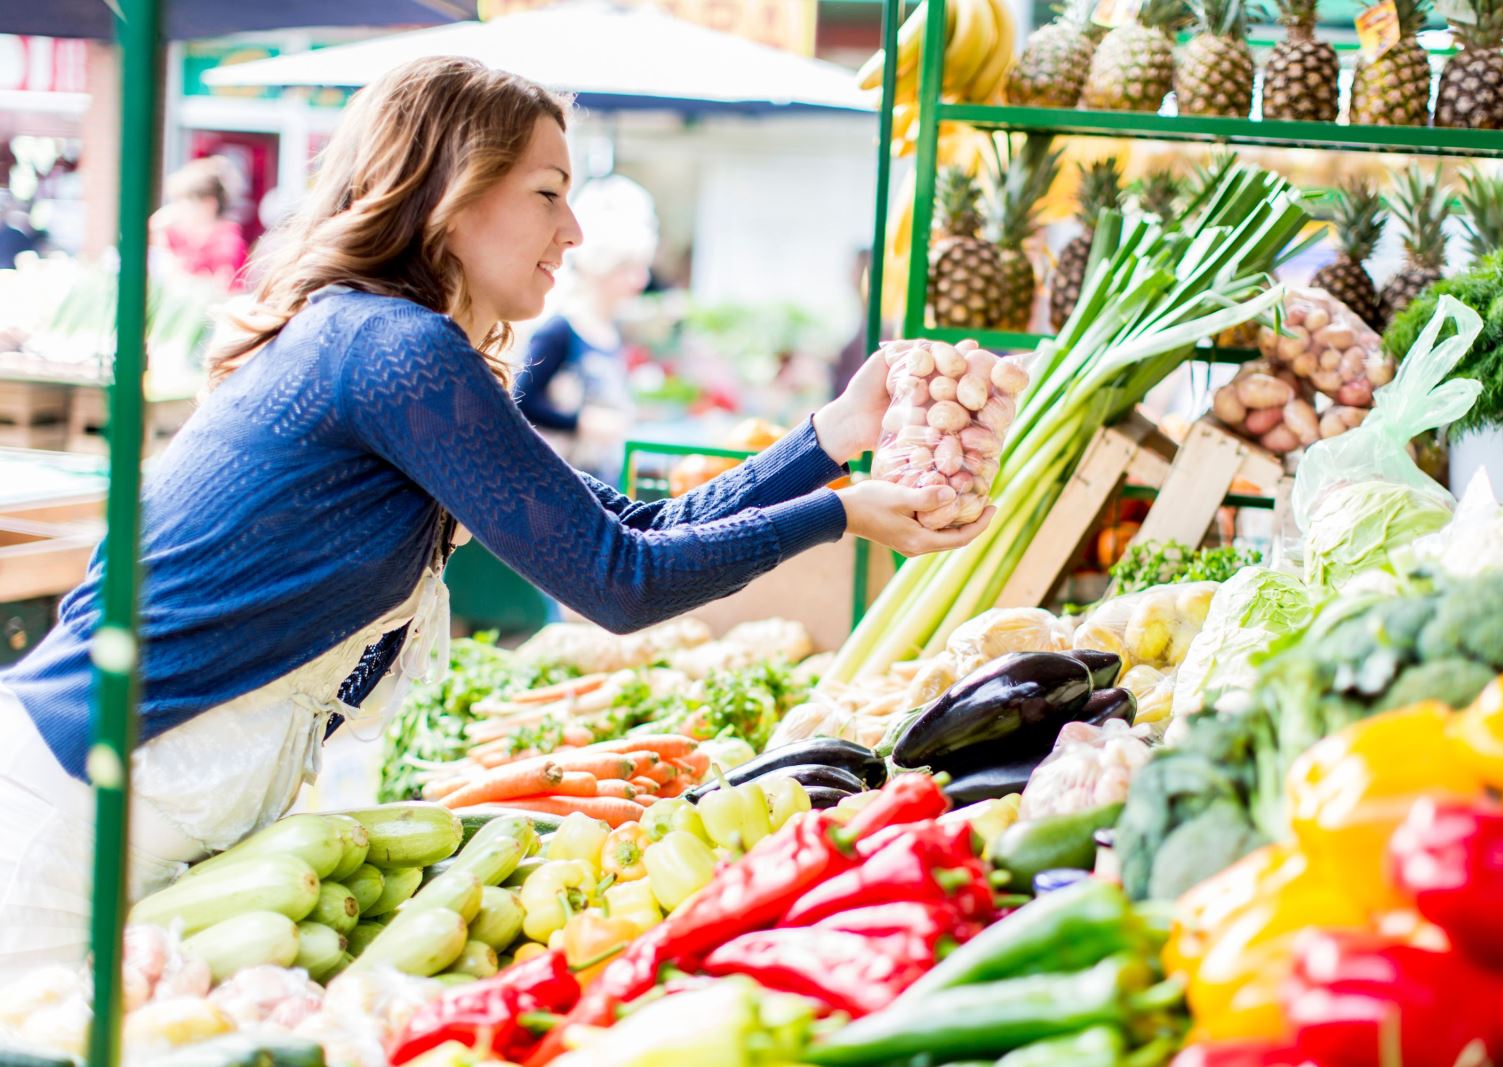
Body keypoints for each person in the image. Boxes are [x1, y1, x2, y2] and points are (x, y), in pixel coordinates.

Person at [0, 56, 992, 976]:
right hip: (71, 810)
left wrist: (830, 432)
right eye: (548, 193)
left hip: (135, 804)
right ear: (452, 190)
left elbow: (637, 527)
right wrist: (838, 514)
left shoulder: (390, 346)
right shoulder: (393, 350)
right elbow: (619, 583)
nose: (574, 232)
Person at [513, 174, 657, 484]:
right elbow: (521, 400)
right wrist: (581, 422)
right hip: (563, 483)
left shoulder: (610, 330)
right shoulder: (559, 330)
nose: (639, 281)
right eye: (627, 269)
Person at [150, 156, 249, 290]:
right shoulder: (177, 236)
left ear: (209, 204)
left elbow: (225, 289)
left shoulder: (228, 243)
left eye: (185, 204)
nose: (179, 210)